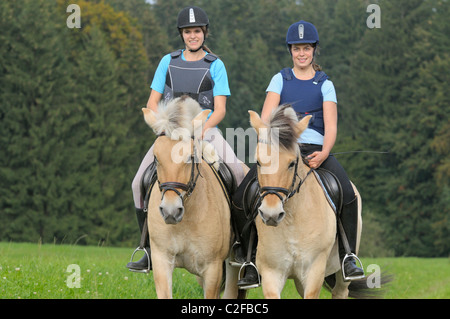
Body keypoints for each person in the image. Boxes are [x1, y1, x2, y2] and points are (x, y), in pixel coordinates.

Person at [236, 20, 364, 288]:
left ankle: (348, 256)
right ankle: (247, 258)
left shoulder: (324, 83)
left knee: (347, 193)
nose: (302, 53)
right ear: (290, 51)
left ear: (314, 50)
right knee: (243, 192)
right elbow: (268, 116)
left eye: (306, 48)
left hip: (315, 150)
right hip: (281, 149)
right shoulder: (279, 79)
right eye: (297, 48)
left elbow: (331, 126)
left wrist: (324, 152)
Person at [127, 6, 246, 272]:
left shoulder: (216, 64)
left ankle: (240, 245)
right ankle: (145, 247)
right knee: (138, 183)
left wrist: (203, 128)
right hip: (171, 135)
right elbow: (153, 102)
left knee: (238, 173)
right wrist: (161, 127)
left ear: (204, 33)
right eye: (188, 31)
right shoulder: (167, 62)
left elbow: (220, 109)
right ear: (182, 34)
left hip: (204, 131)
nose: (193, 36)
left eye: (197, 31)